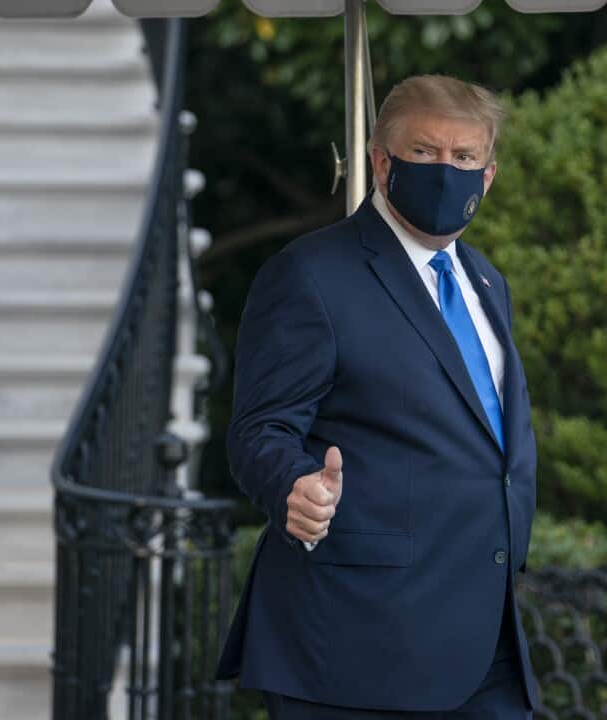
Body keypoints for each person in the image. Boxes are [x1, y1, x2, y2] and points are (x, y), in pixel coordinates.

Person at [215, 74, 539, 719]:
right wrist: (294, 488)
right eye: (425, 153)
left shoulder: (484, 280)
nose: (447, 171)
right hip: (357, 647)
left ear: (489, 174)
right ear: (380, 160)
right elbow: (259, 430)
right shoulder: (309, 275)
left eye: (464, 158)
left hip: (483, 632)